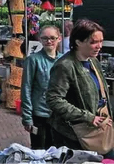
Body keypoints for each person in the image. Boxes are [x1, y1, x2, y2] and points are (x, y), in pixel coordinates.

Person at [46, 19, 113, 153]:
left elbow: (100, 92)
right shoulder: (65, 66)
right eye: (93, 42)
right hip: (73, 135)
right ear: (78, 42)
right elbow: (53, 99)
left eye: (101, 41)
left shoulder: (93, 60)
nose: (99, 46)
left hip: (98, 128)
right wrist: (88, 117)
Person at [21, 25, 61, 149]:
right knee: (39, 152)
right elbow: (26, 88)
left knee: (57, 152)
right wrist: (27, 117)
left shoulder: (63, 60)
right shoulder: (33, 60)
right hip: (39, 115)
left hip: (59, 115)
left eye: (52, 38)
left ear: (59, 39)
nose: (49, 41)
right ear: (40, 39)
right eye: (45, 38)